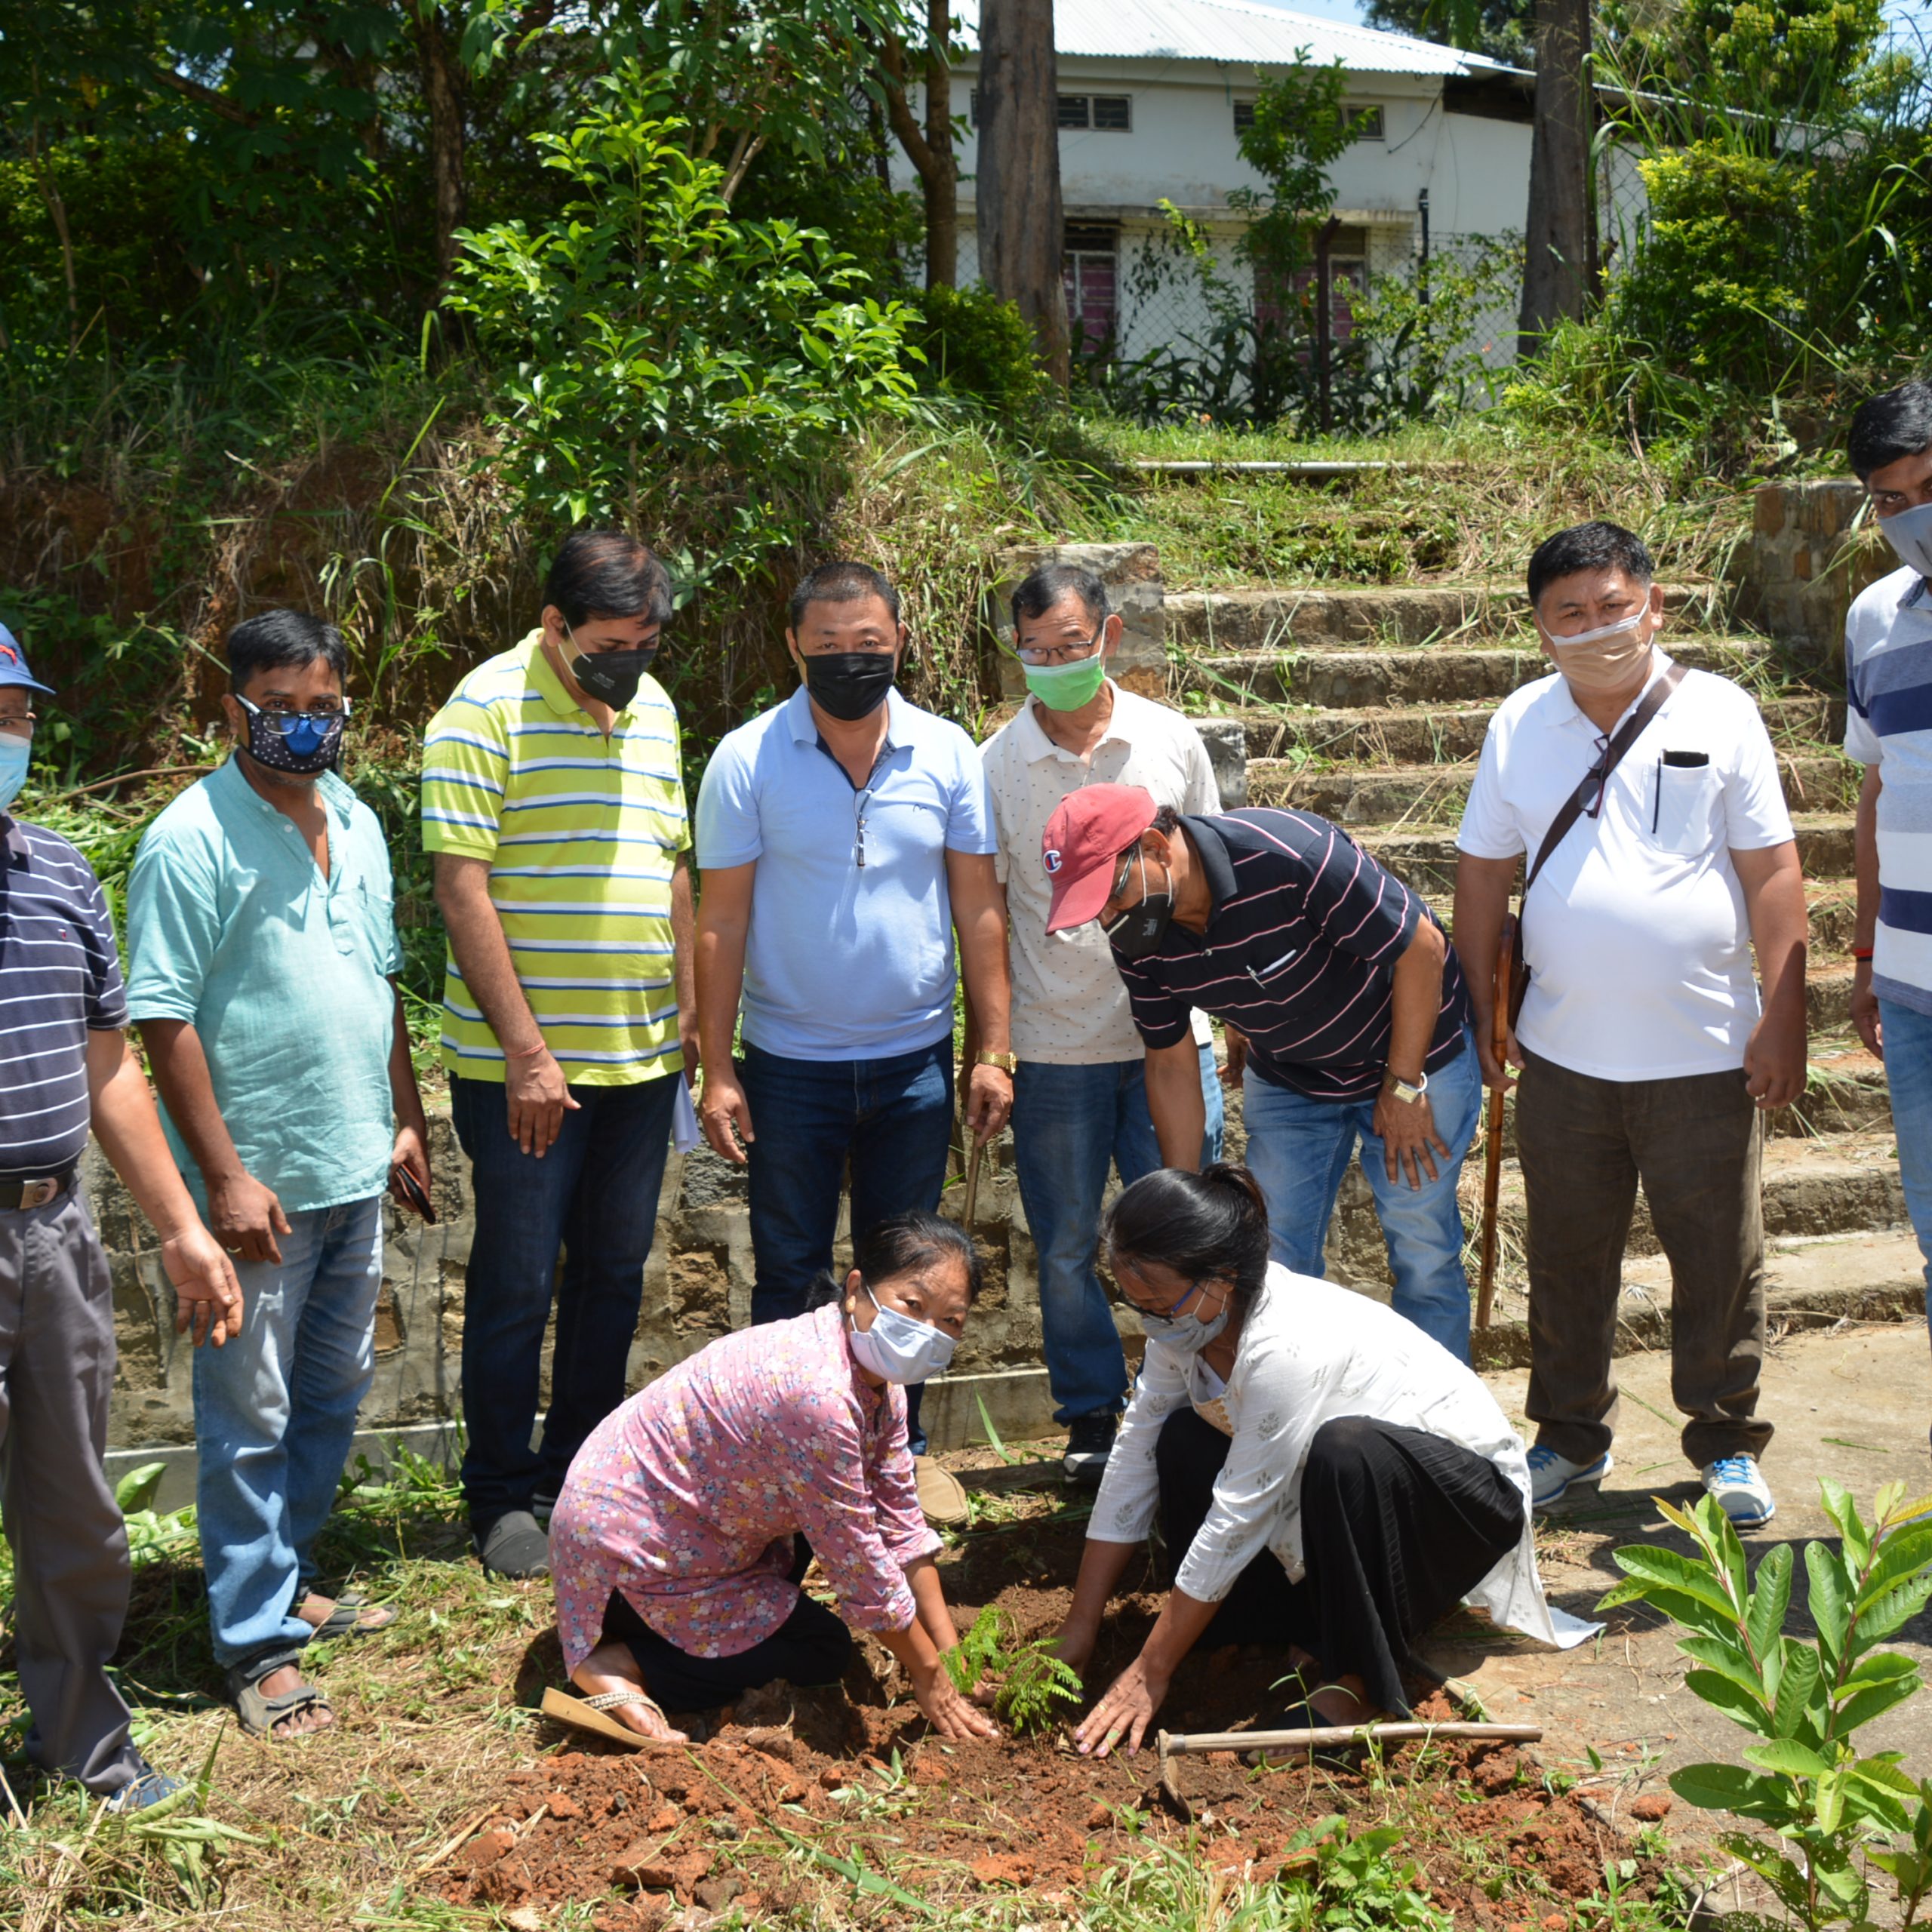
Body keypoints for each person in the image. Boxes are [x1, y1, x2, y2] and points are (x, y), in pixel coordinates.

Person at [1453, 520, 1805, 1528]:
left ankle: (1726, 1445)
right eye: (1571, 614)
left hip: (1705, 1050)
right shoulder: (1519, 726)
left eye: (1614, 607)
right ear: (1540, 629)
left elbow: (1774, 872)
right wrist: (1485, 1010)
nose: (1597, 628)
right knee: (1568, 1255)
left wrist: (1786, 1015)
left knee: (1717, 1258)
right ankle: (1568, 1439)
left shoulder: (1722, 713)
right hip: (1564, 1053)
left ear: (1654, 606)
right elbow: (1482, 879)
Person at [126, 610, 429, 1740]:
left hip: (354, 1162)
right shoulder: (190, 837)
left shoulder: (351, 813)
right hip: (263, 1188)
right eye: (279, 710)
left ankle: (289, 1571)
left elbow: (383, 977)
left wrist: (402, 1118)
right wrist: (226, 1177)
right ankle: (255, 1641)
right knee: (248, 1411)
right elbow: (160, 1017)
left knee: (332, 1390)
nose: (303, 729)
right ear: (232, 711)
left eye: (322, 709)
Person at [1054, 1165, 1583, 1758]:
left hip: (1458, 1507)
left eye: (1158, 1301)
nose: (1150, 1320)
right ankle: (1261, 1632)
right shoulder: (1185, 1331)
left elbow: (1239, 1513)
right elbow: (1132, 1459)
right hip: (1340, 1495)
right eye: (1136, 1302)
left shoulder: (1287, 1343)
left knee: (1345, 1450)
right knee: (1180, 1439)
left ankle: (1356, 1683)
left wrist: (1150, 1670)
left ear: (1221, 1279)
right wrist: (1081, 1625)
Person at [694, 561, 1011, 1515]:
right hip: (790, 1066)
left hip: (915, 1061)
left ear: (900, 641)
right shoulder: (747, 758)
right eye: (827, 647)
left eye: (867, 645)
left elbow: (979, 909)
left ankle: (893, 1458)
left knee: (905, 1272)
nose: (849, 661)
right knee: (789, 1266)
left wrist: (990, 1047)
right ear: (792, 647)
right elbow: (719, 922)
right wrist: (716, 1067)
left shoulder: (949, 751)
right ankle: (791, 1460)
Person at [420, 529, 696, 1580]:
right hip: (525, 1073)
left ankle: (575, 1472)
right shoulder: (482, 710)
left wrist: (687, 1012)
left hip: (637, 1062)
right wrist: (529, 1053)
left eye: (648, 640)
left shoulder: (656, 709)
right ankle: (497, 1492)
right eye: (614, 643)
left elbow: (670, 866)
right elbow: (461, 890)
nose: (632, 661)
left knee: (614, 1274)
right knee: (518, 1279)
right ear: (555, 626)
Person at [0, 628, 242, 1806]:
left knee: (75, 1508)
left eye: (22, 716)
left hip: (51, 1237)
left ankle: (84, 1743)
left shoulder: (57, 877)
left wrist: (181, 1226)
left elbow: (110, 1071)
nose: (11, 737)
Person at [1037, 783, 1481, 1361]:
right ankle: (1290, 1427)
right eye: (1094, 907)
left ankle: (1442, 1435)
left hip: (1411, 1060)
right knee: (1271, 1261)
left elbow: (1420, 947)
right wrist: (1184, 1204)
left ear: (1153, 846)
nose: (1109, 918)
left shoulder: (1288, 855)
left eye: (1111, 894)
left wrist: (1402, 1085)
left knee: (1421, 1248)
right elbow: (1170, 1063)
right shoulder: (1139, 936)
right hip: (1292, 1079)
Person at [549, 1212, 998, 1741]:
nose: (926, 1333)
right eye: (913, 1305)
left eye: (951, 1321)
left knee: (820, 1578)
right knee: (821, 1650)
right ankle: (621, 1662)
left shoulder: (880, 1383)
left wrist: (953, 1658)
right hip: (631, 1553)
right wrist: (929, 1677)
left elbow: (898, 1518)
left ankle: (697, 1628)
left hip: (689, 1526)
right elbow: (859, 1562)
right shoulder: (819, 1397)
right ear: (857, 1289)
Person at [977, 561, 1227, 1485]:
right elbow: (989, 910)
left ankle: (1204, 1394)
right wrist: (994, 1047)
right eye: (1033, 651)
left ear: (1109, 638)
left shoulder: (1169, 740)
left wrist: (1226, 1017)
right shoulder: (997, 765)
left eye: (1070, 647)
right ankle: (1090, 1416)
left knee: (1194, 1230)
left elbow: (1213, 876)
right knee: (1069, 1243)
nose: (1052, 664)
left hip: (1173, 1039)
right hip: (1056, 1047)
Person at [1844, 384, 1932, 1429]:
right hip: (1911, 990)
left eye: (1929, 488)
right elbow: (1875, 791)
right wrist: (1865, 956)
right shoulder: (1874, 616)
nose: (1912, 514)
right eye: (1889, 499)